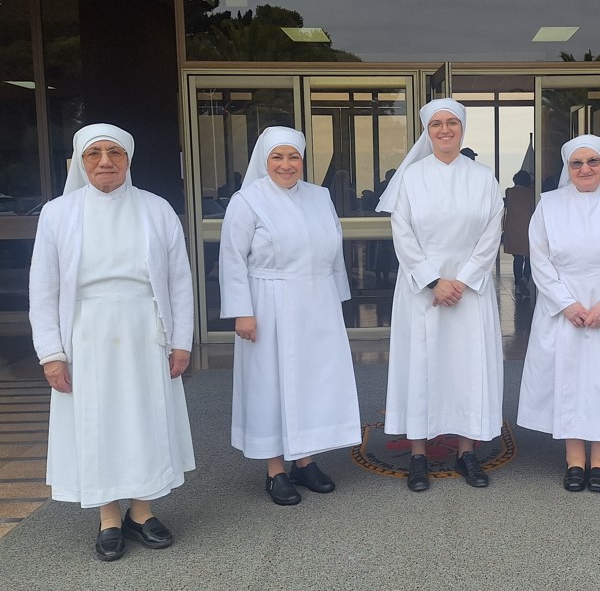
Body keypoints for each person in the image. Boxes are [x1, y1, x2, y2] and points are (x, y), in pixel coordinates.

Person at [29, 123, 195, 561]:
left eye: (115, 152)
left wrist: (182, 341)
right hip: (86, 334)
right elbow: (43, 289)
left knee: (143, 419)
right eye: (94, 153)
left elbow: (179, 281)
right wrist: (51, 354)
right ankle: (108, 515)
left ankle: (142, 512)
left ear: (128, 158)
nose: (105, 161)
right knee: (98, 422)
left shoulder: (156, 209)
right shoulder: (58, 213)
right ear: (81, 161)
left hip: (146, 331)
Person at [219, 126, 361, 506]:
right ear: (265, 161)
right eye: (277, 157)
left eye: (293, 157)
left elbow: (333, 251)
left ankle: (306, 460)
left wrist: (338, 301)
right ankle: (275, 470)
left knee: (312, 382)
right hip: (268, 302)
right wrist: (241, 313)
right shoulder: (247, 200)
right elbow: (232, 259)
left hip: (317, 302)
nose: (286, 165)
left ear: (302, 160)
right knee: (271, 384)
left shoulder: (320, 196)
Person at [376, 98, 504, 492]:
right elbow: (403, 233)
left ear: (463, 129)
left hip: (470, 293)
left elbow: (491, 233)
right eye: (436, 124)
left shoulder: (483, 177)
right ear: (426, 131)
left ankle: (467, 451)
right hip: (421, 293)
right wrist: (434, 280)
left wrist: (461, 280)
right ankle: (418, 455)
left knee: (468, 369)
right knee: (420, 368)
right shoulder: (411, 178)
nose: (445, 130)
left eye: (452, 123)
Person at [517, 135, 600, 492]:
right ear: (567, 168)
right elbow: (540, 258)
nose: (585, 169)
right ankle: (574, 460)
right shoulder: (548, 205)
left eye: (593, 161)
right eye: (576, 163)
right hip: (565, 306)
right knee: (570, 380)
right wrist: (567, 304)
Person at [502, 169, 534, 298]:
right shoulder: (531, 193)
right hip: (528, 227)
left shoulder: (509, 192)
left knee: (518, 258)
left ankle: (518, 285)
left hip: (513, 228)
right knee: (529, 257)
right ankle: (525, 279)